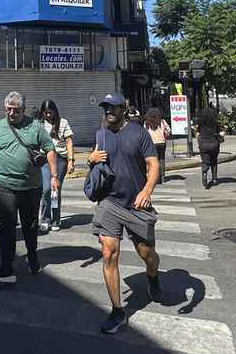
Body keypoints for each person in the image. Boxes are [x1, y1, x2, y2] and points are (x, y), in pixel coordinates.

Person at [88, 92, 162, 334]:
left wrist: (147, 191)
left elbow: (153, 164)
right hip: (110, 202)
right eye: (105, 107)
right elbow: (95, 161)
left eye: (112, 107)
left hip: (137, 204)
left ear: (123, 108)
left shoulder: (139, 133)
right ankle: (118, 311)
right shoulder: (101, 135)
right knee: (108, 254)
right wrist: (90, 159)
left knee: (147, 254)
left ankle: (153, 276)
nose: (108, 111)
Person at [0, 91, 57, 284]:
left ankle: (32, 256)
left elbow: (50, 150)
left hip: (31, 187)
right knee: (7, 225)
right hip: (3, 185)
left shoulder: (35, 127)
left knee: (30, 225)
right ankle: (6, 267)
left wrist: (55, 176)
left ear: (24, 109)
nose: (11, 114)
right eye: (8, 110)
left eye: (16, 110)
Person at [37, 99, 75, 232]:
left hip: (60, 159)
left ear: (55, 111)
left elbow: (69, 142)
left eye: (50, 112)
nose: (48, 115)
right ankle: (45, 219)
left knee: (55, 190)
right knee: (46, 189)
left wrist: (71, 160)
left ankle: (55, 219)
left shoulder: (63, 123)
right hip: (45, 160)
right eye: (45, 113)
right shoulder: (39, 124)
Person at [195, 107, 225, 189]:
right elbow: (221, 133)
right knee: (214, 161)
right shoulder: (216, 123)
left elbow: (198, 133)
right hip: (214, 144)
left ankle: (204, 173)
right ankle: (214, 179)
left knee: (205, 161)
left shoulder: (200, 123)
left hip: (203, 144)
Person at [143, 108, 170, 184]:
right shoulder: (162, 121)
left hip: (152, 143)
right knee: (161, 160)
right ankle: (162, 176)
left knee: (152, 161)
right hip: (162, 142)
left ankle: (154, 177)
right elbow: (169, 130)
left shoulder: (146, 123)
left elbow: (144, 133)